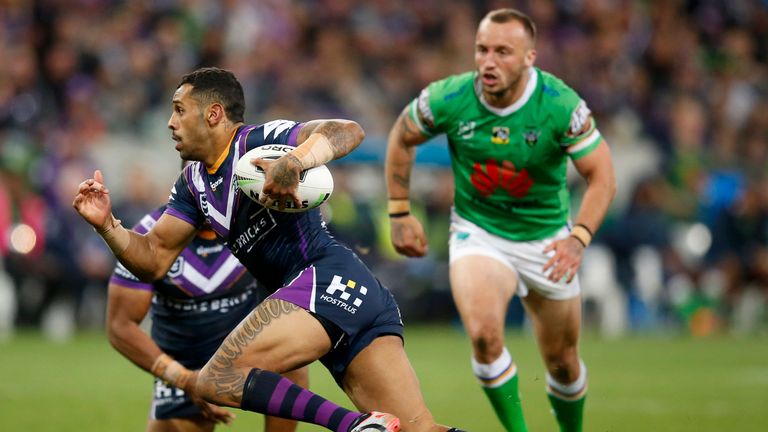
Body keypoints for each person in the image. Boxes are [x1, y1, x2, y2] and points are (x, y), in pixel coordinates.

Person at [73, 67, 463, 432]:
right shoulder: (193, 184)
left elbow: (347, 130)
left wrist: (295, 161)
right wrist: (108, 226)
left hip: (323, 280)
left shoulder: (255, 142)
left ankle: (352, 426)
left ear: (213, 114)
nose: (170, 123)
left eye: (179, 110)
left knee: (216, 378)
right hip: (348, 293)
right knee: (419, 430)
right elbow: (154, 260)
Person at [385, 8, 616, 432]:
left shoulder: (560, 104)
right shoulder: (450, 98)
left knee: (563, 363)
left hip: (547, 239)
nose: (489, 61)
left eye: (503, 52)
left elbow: (602, 174)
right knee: (485, 338)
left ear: (530, 58)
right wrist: (399, 210)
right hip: (480, 233)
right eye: (482, 50)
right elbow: (402, 134)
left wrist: (578, 238)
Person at [106, 202, 308, 432]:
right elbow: (120, 326)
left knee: (293, 357)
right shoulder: (147, 235)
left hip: (244, 351)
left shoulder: (255, 224)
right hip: (185, 365)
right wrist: (182, 378)